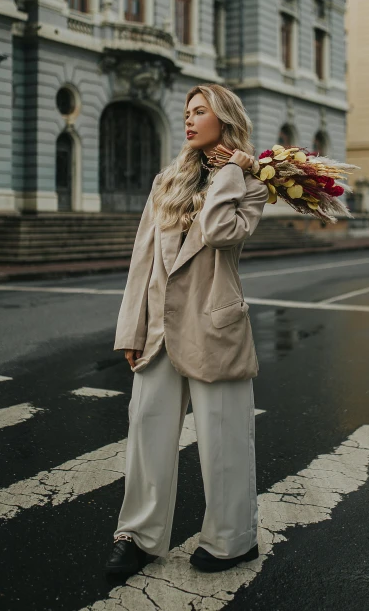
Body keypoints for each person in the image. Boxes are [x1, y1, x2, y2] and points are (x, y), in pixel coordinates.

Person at [105, 83, 269, 577]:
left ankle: (232, 540)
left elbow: (220, 232)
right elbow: (142, 260)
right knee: (146, 433)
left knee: (224, 440)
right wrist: (131, 328)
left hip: (214, 326)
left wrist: (231, 172)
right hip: (158, 330)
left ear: (224, 118)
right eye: (186, 112)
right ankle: (139, 537)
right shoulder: (166, 181)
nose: (190, 119)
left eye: (201, 111)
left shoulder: (253, 184)